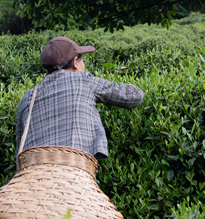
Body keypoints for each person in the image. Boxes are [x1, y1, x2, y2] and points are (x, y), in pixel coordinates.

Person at [15, 36, 144, 161]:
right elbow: (134, 96)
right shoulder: (83, 80)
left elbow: (19, 147)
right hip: (75, 166)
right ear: (75, 62)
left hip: (34, 169)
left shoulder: (27, 98)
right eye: (82, 61)